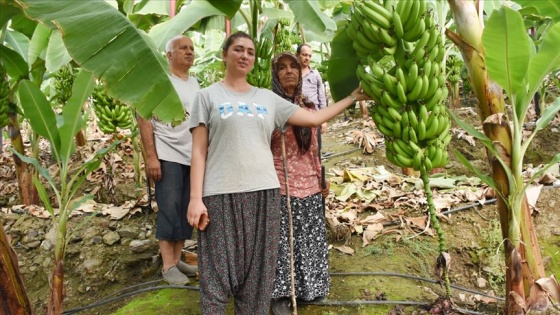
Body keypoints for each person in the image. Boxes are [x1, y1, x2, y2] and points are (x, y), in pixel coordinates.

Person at [187, 31, 370, 315]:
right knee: (218, 274)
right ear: (225, 55)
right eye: (238, 49)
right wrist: (195, 198)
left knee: (258, 277)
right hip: (220, 194)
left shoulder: (267, 99)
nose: (245, 55)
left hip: (265, 193)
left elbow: (314, 118)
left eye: (250, 51)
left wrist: (351, 97)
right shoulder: (207, 96)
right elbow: (198, 151)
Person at [269, 53, 331, 315]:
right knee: (284, 241)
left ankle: (309, 288)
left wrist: (321, 178)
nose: (289, 72)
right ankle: (280, 294)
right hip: (281, 182)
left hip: (309, 182)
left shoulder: (308, 105)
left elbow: (315, 147)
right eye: (281, 68)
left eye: (293, 66)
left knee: (309, 237)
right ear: (275, 75)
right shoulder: (270, 106)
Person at [137, 35, 200, 285]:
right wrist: (151, 157)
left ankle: (177, 260)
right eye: (182, 48)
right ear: (169, 55)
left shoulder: (195, 83)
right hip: (167, 153)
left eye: (192, 48)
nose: (189, 51)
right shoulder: (160, 82)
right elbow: (144, 119)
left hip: (191, 155)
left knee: (186, 208)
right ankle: (167, 266)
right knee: (169, 206)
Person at [297, 43, 328, 132]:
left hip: (315, 116)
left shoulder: (315, 74)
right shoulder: (292, 74)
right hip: (297, 116)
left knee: (316, 145)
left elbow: (321, 97)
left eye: (309, 56)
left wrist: (324, 120)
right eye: (304, 55)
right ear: (297, 55)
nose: (307, 58)